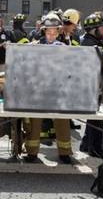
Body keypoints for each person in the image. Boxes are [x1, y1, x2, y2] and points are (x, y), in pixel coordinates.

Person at [24, 13, 73, 164]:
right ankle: (32, 152)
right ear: (44, 31)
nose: (51, 35)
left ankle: (64, 153)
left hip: (57, 90)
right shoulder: (35, 46)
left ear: (58, 32)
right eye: (48, 31)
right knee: (34, 122)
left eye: (54, 32)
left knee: (61, 121)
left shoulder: (64, 48)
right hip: (38, 89)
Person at [79, 13, 103, 158]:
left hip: (92, 84)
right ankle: (96, 149)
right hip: (92, 86)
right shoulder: (90, 44)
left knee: (93, 118)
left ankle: (86, 144)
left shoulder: (90, 41)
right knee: (97, 120)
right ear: (94, 29)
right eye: (101, 28)